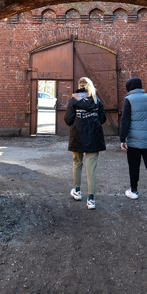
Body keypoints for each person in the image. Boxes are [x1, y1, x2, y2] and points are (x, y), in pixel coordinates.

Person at [119, 77, 147, 209]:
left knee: (134, 165)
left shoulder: (129, 100)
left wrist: (122, 138)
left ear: (129, 88)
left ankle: (133, 190)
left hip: (134, 141)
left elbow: (125, 121)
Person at [64, 76, 107, 210]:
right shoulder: (96, 100)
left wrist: (78, 122)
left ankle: (77, 191)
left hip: (77, 136)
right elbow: (103, 119)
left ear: (79, 85)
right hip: (94, 137)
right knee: (91, 169)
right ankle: (91, 200)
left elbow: (67, 119)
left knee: (77, 163)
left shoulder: (73, 100)